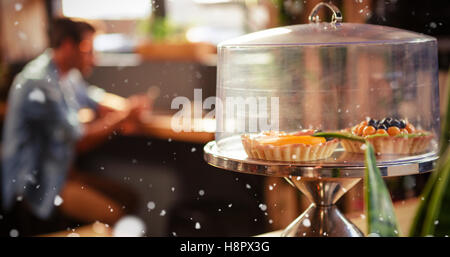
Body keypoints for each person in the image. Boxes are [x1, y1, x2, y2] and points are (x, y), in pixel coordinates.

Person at [1, 18, 149, 226]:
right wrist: (124, 117)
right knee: (115, 217)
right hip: (37, 183)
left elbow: (94, 98)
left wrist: (130, 107)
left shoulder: (66, 74)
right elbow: (78, 140)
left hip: (60, 172)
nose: (94, 59)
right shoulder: (39, 83)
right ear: (69, 46)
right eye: (88, 50)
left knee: (129, 198)